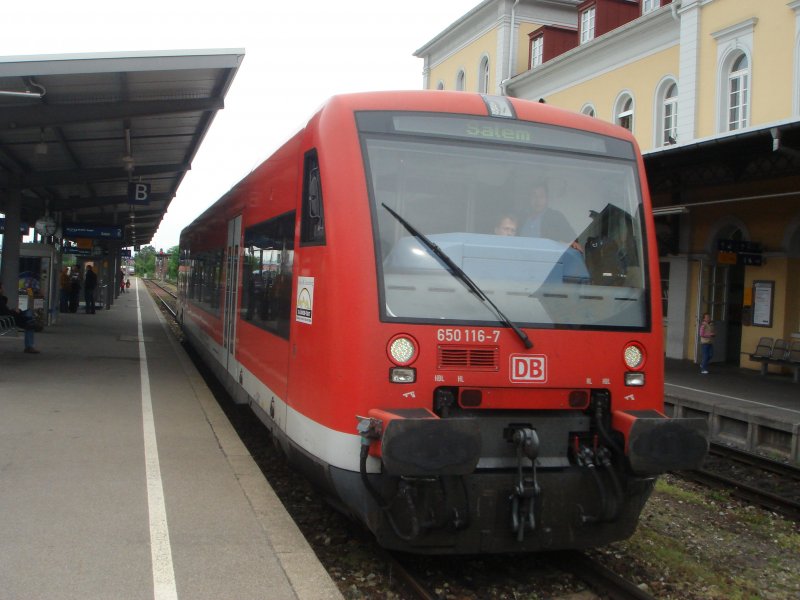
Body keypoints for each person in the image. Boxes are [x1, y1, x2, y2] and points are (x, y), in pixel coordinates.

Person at [519, 184, 581, 251]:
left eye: (541, 196)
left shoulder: (556, 217)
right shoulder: (522, 217)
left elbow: (573, 242)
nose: (537, 200)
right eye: (534, 196)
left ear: (547, 199)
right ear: (529, 198)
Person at [0, 284, 39, 354]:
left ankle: (31, 322)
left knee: (28, 314)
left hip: (8, 317)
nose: (3, 290)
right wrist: (15, 311)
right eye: (1, 288)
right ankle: (31, 323)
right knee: (28, 317)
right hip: (7, 318)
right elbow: (5, 312)